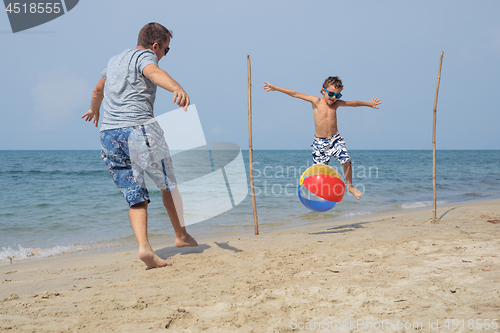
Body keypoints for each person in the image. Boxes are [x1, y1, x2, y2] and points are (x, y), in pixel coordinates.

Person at [82, 22, 197, 269]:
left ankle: (145, 248)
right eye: (166, 50)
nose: (164, 55)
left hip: (109, 135)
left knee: (135, 197)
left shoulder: (113, 60)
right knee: (168, 185)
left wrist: (94, 109)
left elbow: (97, 89)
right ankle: (180, 235)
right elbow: (153, 72)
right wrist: (177, 88)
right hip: (139, 129)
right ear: (155, 46)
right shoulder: (144, 56)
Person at [263, 76, 382, 200]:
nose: (334, 97)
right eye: (331, 94)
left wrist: (369, 104)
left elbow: (354, 103)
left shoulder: (336, 104)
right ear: (323, 90)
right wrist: (275, 88)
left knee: (347, 161)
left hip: (335, 140)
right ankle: (322, 194)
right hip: (320, 144)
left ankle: (350, 187)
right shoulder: (316, 101)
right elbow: (295, 94)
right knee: (319, 172)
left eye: (338, 95)